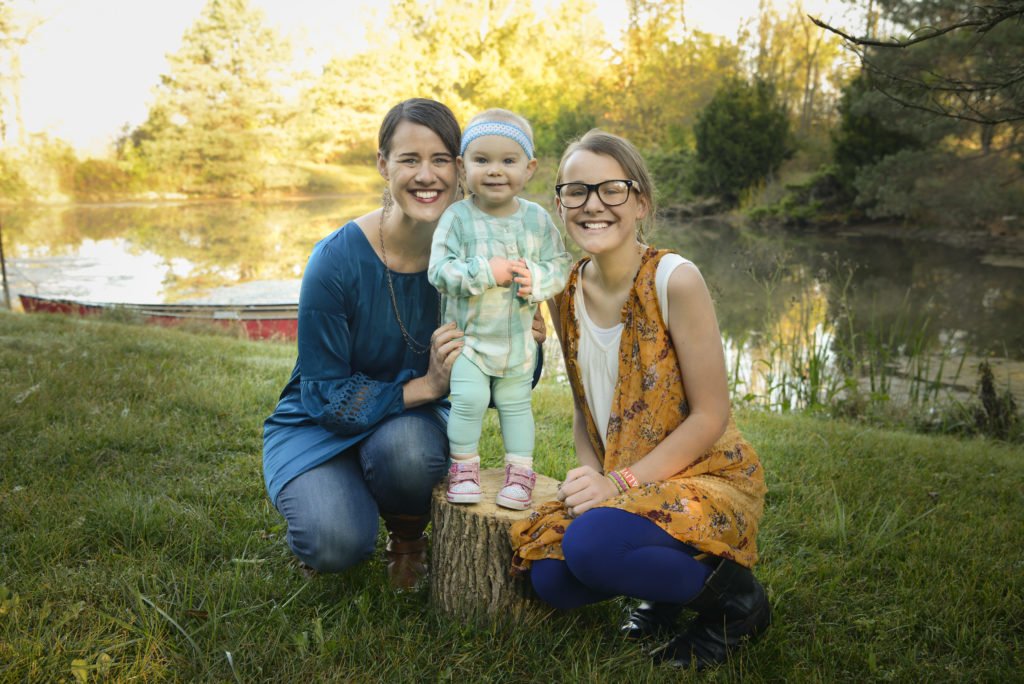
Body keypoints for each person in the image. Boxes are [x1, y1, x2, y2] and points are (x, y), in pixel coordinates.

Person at [509, 130, 770, 670]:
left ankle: (738, 605)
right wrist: (590, 479)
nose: (593, 204)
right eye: (576, 191)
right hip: (623, 479)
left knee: (590, 549)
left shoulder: (675, 279)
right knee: (551, 577)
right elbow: (584, 407)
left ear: (640, 201)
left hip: (705, 476)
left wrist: (618, 486)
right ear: (559, 204)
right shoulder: (563, 289)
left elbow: (711, 415)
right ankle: (662, 589)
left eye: (612, 189)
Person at [262, 98, 544, 590]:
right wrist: (431, 385)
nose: (425, 176)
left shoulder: (480, 256)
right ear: (382, 165)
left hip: (405, 429)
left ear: (459, 168)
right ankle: (333, 499)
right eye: (409, 159)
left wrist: (528, 342)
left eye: (439, 159)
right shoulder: (335, 260)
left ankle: (408, 539)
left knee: (408, 451)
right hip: (320, 424)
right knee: (335, 543)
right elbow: (323, 393)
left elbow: (510, 378)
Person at [428, 109, 570, 510]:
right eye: (481, 160)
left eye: (508, 161)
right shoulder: (456, 218)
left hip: (518, 343)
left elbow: (558, 264)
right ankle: (464, 467)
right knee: (468, 400)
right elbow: (439, 271)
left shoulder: (537, 220)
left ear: (529, 168)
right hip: (469, 341)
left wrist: (537, 280)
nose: (495, 171)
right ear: (461, 166)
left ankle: (520, 472)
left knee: (516, 406)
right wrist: (484, 271)